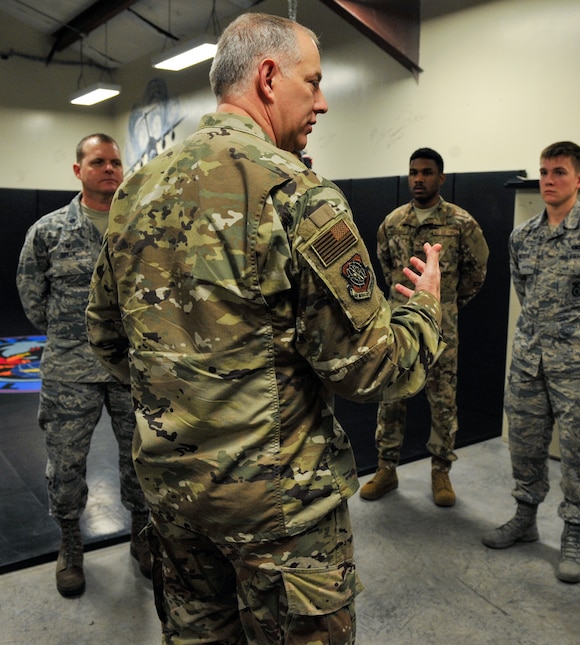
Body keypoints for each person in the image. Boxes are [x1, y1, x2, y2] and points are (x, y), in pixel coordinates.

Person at [85, 13, 444, 645]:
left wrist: (188, 404)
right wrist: (424, 309)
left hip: (175, 501)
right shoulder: (296, 194)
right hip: (279, 516)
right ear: (270, 77)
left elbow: (110, 339)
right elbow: (375, 368)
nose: (324, 102)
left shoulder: (135, 191)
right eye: (315, 82)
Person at [482, 141, 580, 584]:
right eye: (544, 172)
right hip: (529, 364)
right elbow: (525, 294)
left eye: (558, 172)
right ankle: (525, 518)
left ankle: (573, 534)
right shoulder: (523, 236)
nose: (548, 180)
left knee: (578, 456)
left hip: (579, 370)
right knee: (527, 446)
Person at [16, 133, 150, 597]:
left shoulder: (141, 227)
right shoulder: (49, 231)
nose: (109, 169)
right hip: (69, 371)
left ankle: (142, 535)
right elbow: (32, 298)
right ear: (79, 170)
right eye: (98, 162)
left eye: (115, 161)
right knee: (66, 465)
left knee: (141, 458)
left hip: (130, 369)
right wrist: (72, 338)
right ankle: (70, 545)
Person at [360, 147, 489, 507]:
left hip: (441, 332)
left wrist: (446, 304)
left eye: (427, 172)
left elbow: (476, 272)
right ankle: (386, 468)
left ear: (441, 178)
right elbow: (385, 267)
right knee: (391, 400)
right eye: (414, 171)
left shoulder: (461, 223)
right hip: (399, 328)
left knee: (443, 402)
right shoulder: (393, 222)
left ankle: (440, 471)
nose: (419, 178)